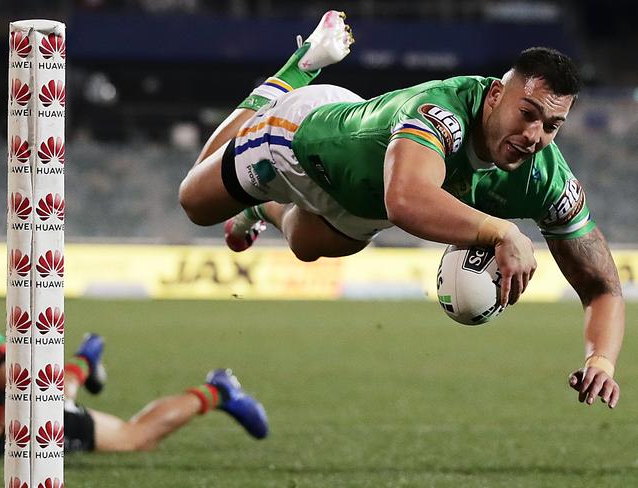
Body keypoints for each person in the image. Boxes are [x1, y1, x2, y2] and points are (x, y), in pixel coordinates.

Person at [178, 11, 624, 409]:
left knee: (306, 244)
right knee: (195, 202)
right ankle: (294, 72)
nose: (535, 135)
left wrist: (600, 359)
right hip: (300, 141)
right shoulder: (441, 110)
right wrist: (503, 232)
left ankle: (260, 211)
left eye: (552, 126)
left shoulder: (547, 177)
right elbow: (407, 198)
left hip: (367, 202)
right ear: (494, 96)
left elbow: (601, 286)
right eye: (527, 113)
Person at [0, 321, 268, 458]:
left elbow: (23, 385)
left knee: (134, 437)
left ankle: (218, 391)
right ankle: (84, 361)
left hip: (19, 421)